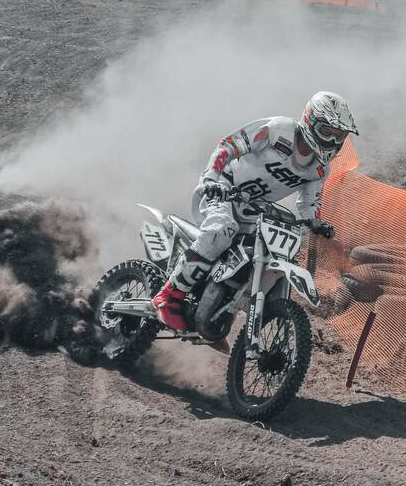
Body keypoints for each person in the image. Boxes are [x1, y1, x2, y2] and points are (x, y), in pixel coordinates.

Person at [151, 92, 359, 334]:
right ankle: (169, 296)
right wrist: (211, 178)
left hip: (256, 208)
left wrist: (315, 222)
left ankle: (215, 317)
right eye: (326, 131)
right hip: (224, 188)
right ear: (309, 121)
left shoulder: (319, 169)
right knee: (222, 230)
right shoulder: (277, 131)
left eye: (338, 135)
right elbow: (229, 146)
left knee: (262, 256)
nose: (332, 140)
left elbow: (309, 202)